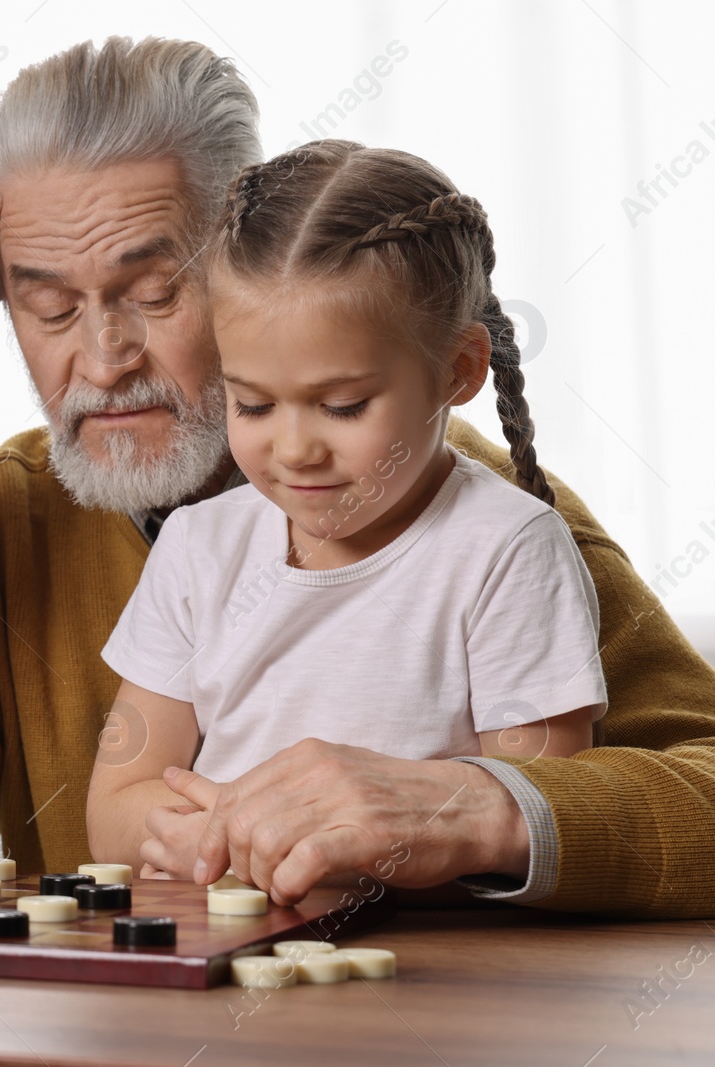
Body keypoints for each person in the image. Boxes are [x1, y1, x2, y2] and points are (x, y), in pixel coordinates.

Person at [0, 36, 715, 918]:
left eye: (153, 290)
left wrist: (476, 808)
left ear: (247, 268)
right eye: (47, 308)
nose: (100, 358)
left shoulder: (480, 517)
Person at [89, 142, 607, 899]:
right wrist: (229, 833)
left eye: (343, 407)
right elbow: (114, 809)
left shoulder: (505, 551)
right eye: (254, 404)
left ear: (458, 371)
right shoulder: (199, 548)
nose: (294, 448)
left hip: (435, 980)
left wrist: (352, 840)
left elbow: (542, 809)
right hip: (227, 966)